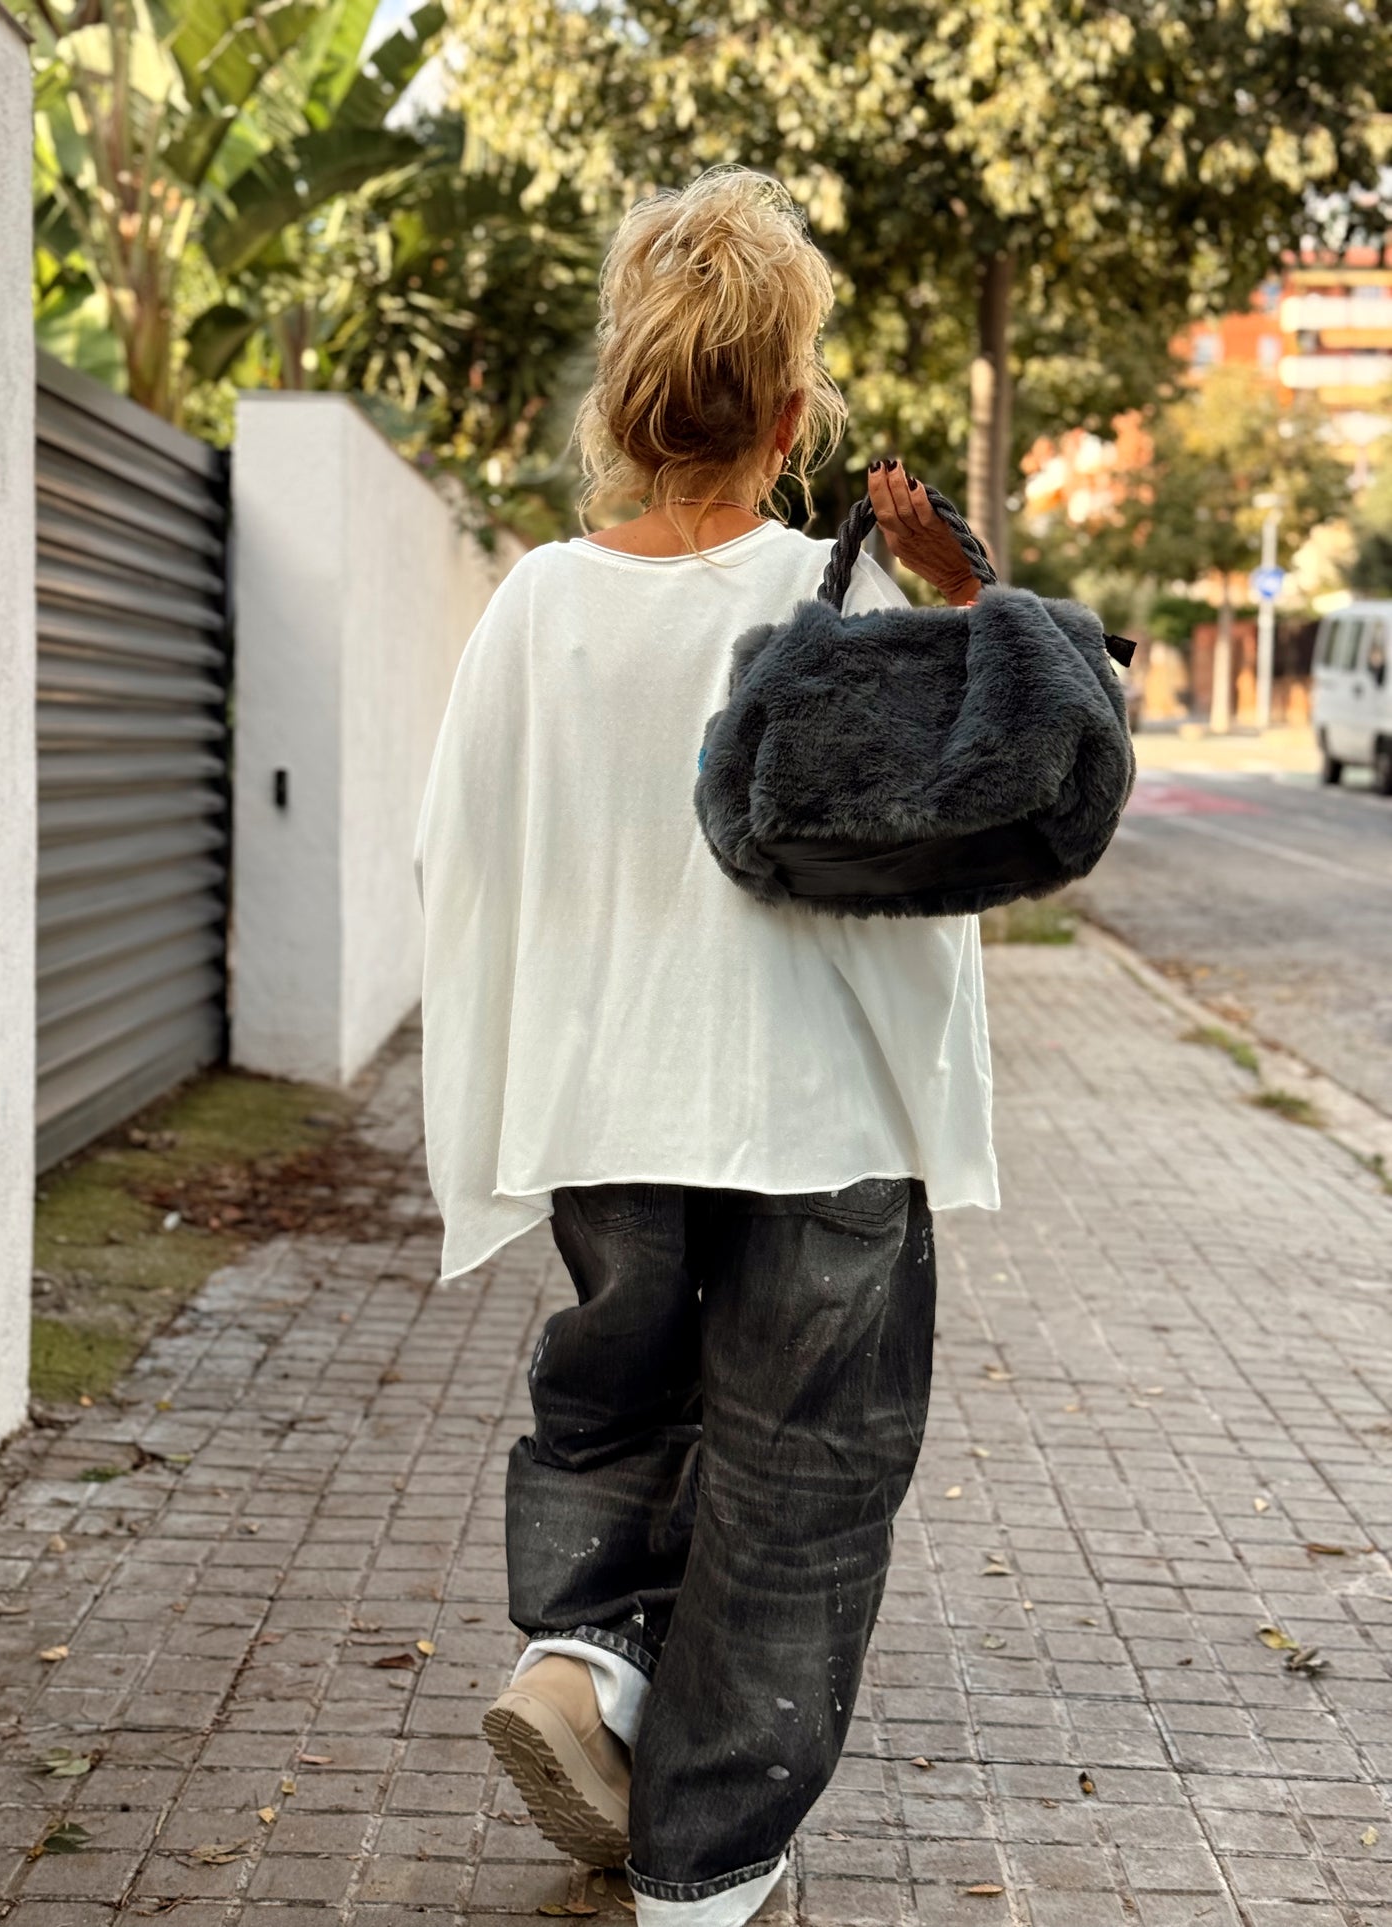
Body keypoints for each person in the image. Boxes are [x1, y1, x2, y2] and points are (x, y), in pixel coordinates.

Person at [413, 166, 998, 1927]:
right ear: (791, 418)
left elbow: (454, 854)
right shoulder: (842, 609)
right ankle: (705, 1870)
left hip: (608, 1108)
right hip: (817, 1117)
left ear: (621, 405)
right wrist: (964, 601)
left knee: (618, 1412)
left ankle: (582, 1659)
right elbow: (981, 819)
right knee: (796, 1484)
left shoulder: (535, 605)